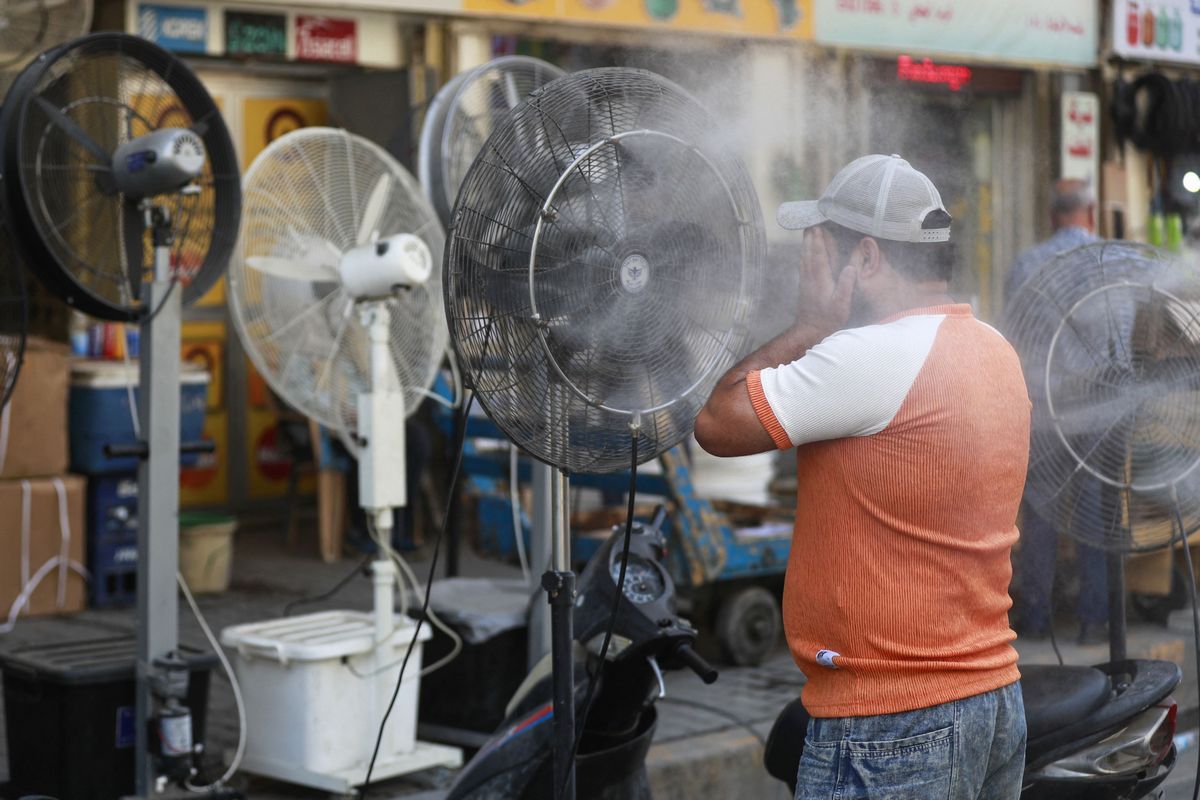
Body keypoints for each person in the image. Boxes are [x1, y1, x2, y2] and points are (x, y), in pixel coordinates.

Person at [695, 154, 1029, 799]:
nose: (807, 267)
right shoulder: (994, 348)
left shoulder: (870, 355)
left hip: (892, 723)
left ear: (868, 260)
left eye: (821, 251)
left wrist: (811, 325)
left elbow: (715, 421)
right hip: (991, 698)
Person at [1004, 179, 1108, 645]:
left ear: (1052, 217)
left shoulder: (1027, 264)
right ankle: (1093, 620)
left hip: (1043, 407)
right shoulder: (1111, 262)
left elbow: (1014, 337)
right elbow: (1122, 346)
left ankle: (1037, 616)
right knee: (1094, 514)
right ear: (1091, 212)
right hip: (1097, 406)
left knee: (1042, 511)